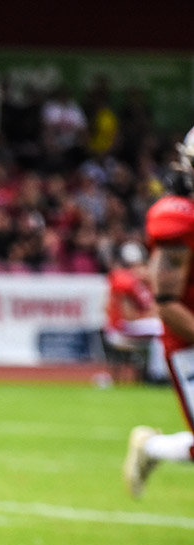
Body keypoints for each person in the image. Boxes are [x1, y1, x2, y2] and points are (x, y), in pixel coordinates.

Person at [124, 128, 194, 498]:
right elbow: (167, 304)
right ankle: (150, 447)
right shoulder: (179, 218)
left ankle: (151, 447)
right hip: (189, 342)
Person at [102, 242, 160, 385]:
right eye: (136, 265)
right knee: (161, 328)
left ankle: (157, 373)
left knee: (162, 331)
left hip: (130, 327)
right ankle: (158, 375)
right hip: (121, 328)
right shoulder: (123, 279)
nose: (141, 269)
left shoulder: (146, 284)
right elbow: (129, 316)